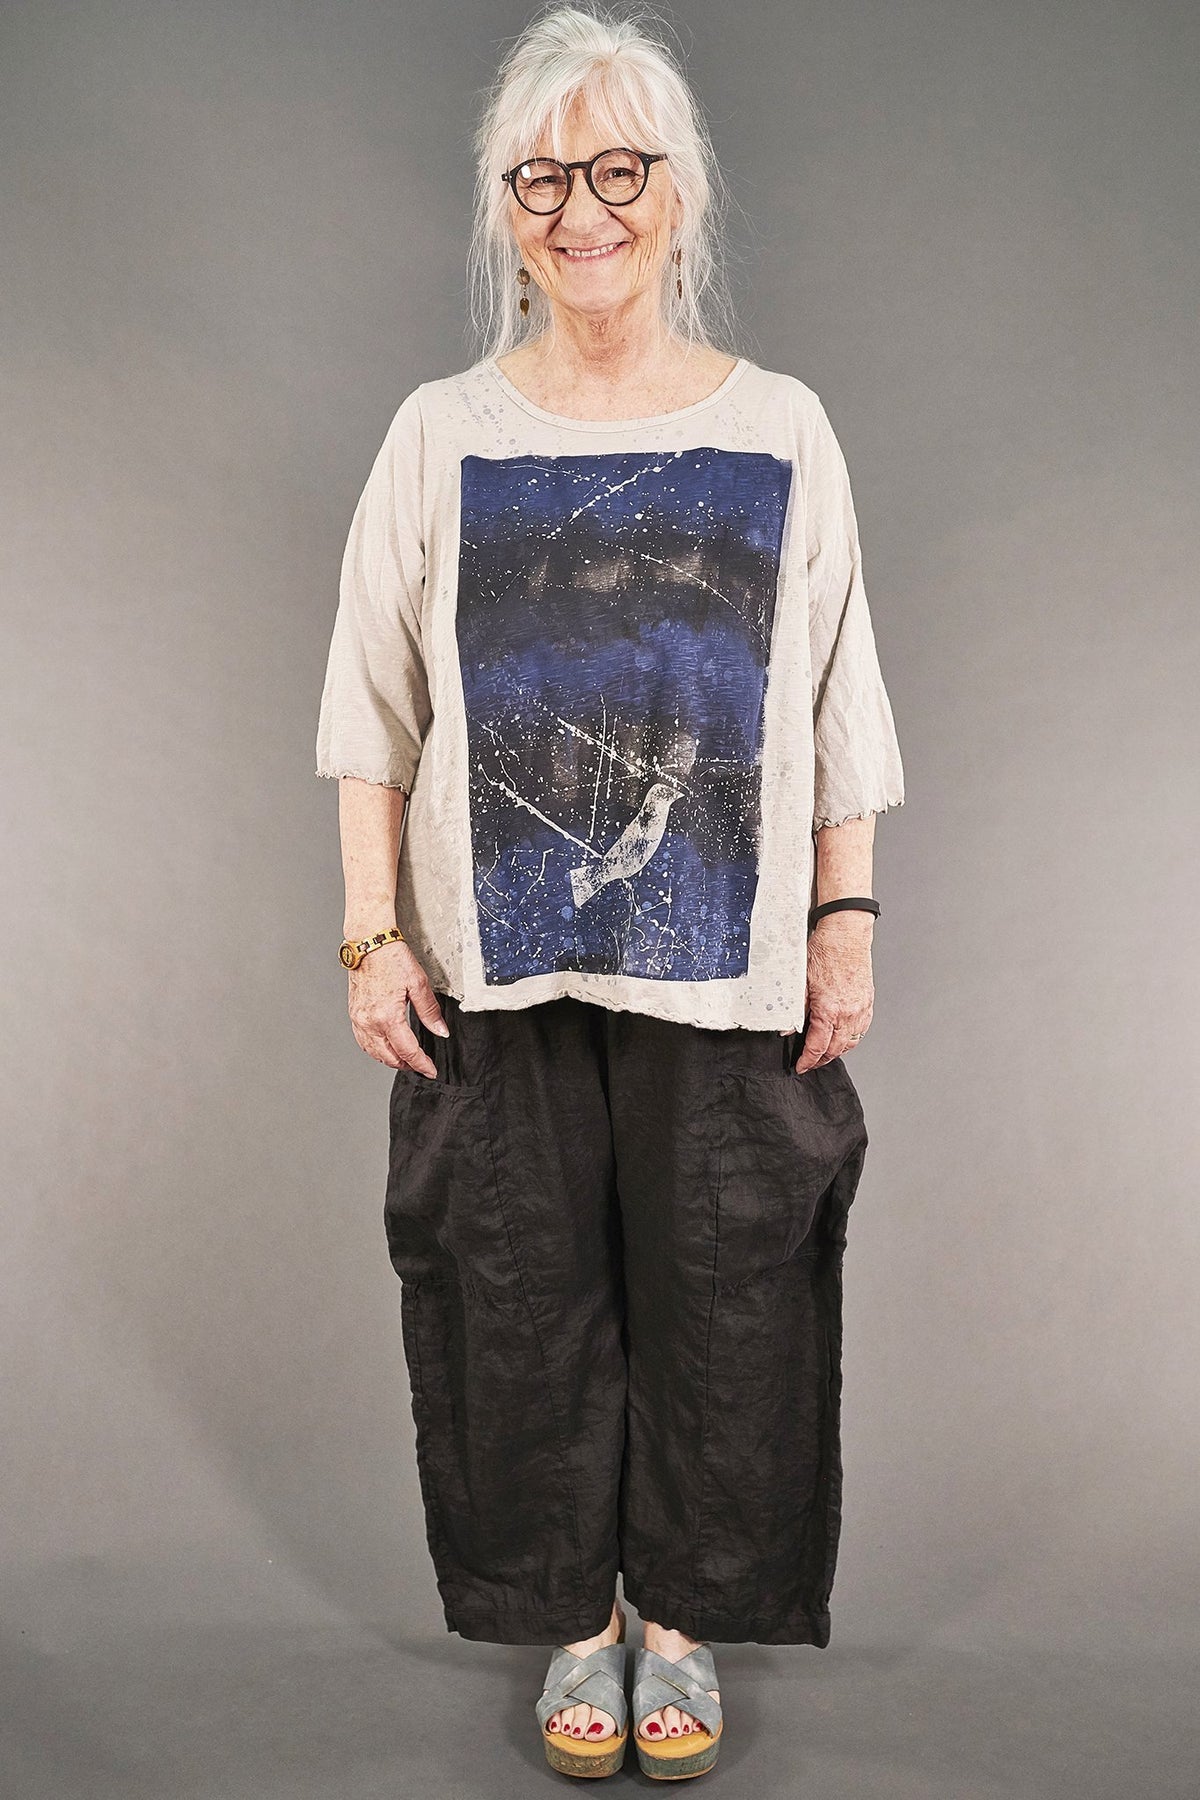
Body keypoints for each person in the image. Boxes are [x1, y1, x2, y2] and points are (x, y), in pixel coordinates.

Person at [314, 3, 905, 1781]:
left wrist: (846, 917)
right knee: (522, 1295)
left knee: (727, 1292)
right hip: (496, 970)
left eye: (620, 171)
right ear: (508, 212)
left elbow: (840, 693)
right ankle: (577, 1616)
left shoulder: (782, 427)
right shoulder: (442, 433)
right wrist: (370, 933)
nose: (584, 211)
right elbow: (370, 708)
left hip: (726, 969)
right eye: (545, 179)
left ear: (678, 194)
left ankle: (684, 1621)